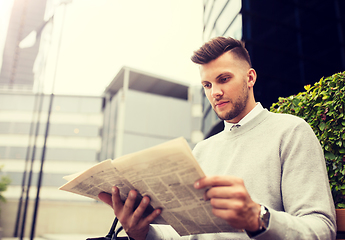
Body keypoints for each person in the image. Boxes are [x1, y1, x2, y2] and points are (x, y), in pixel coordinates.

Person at [98, 36, 336, 240]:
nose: (215, 92)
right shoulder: (202, 150)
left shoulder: (291, 131)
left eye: (224, 79)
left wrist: (258, 217)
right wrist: (142, 232)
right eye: (207, 84)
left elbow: (322, 231)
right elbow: (189, 235)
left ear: (250, 78)